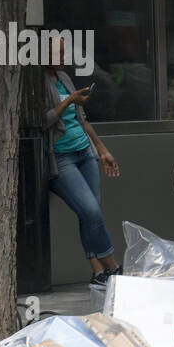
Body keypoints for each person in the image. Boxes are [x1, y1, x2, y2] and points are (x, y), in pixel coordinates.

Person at [43, 39, 122, 288]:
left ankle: (98, 272)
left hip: (84, 151)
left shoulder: (64, 77)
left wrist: (102, 149)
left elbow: (82, 119)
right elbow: (40, 121)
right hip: (60, 157)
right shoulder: (37, 83)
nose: (63, 57)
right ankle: (114, 267)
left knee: (90, 214)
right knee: (90, 211)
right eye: (58, 52)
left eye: (65, 52)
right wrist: (69, 100)